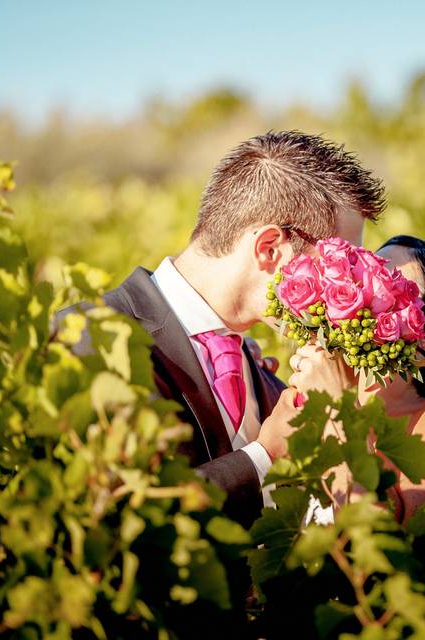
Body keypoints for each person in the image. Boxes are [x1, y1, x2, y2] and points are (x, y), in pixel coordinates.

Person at [57, 131, 386, 527]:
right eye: (336, 265)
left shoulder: (268, 379)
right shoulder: (93, 335)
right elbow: (115, 514)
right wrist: (264, 456)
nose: (345, 289)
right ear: (269, 248)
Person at [263, 235, 425, 523]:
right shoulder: (310, 391)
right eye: (364, 269)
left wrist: (342, 413)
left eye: (388, 281)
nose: (359, 284)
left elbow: (389, 543)